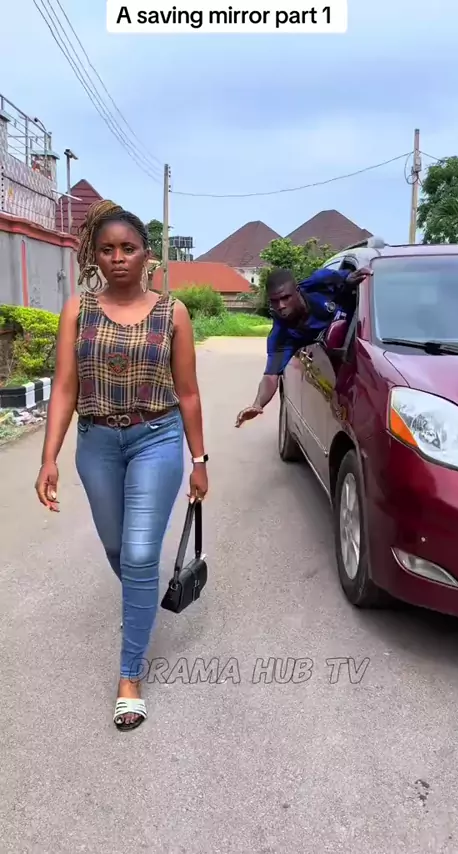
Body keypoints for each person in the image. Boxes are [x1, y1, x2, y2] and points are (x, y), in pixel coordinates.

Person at [34, 200, 208, 732]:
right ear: (95, 256)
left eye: (128, 248)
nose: (117, 258)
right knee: (118, 548)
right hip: (97, 445)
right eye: (107, 250)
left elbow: (188, 393)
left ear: (146, 255)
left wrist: (199, 459)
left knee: (137, 552)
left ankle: (129, 674)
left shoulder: (172, 313)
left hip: (157, 438)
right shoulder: (78, 310)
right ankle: (141, 598)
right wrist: (48, 457)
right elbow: (65, 388)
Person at [235, 264, 369, 427]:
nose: (281, 306)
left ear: (297, 291)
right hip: (342, 365)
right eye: (274, 301)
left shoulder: (320, 282)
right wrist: (257, 404)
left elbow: (349, 277)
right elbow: (270, 376)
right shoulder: (281, 335)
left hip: (368, 341)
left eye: (285, 298)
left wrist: (349, 280)